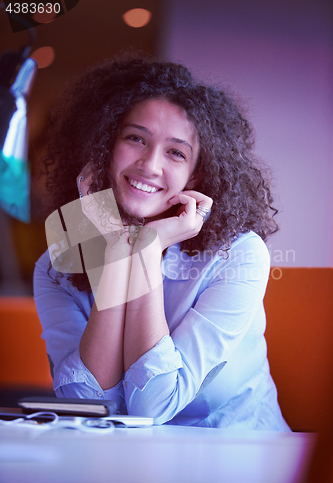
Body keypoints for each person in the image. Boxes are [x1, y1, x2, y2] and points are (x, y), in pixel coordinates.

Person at [34, 57, 290, 430]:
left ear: (197, 173)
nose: (150, 165)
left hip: (240, 461)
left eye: (176, 152)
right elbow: (86, 406)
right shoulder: (58, 263)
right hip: (124, 470)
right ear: (102, 147)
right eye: (135, 138)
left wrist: (147, 252)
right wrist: (119, 248)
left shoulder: (238, 253)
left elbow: (153, 406)